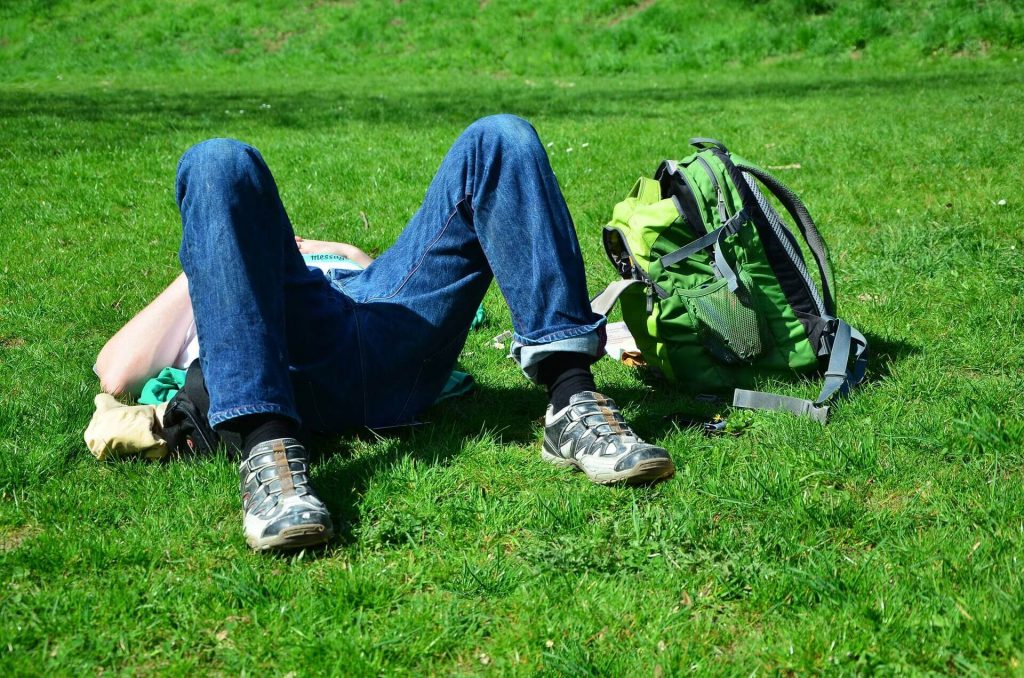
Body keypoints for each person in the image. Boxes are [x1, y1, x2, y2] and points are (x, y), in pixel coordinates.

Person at [95, 115, 675, 552]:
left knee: (498, 135)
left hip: (387, 314)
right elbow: (117, 369)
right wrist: (214, 256)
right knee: (217, 162)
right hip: (300, 351)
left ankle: (571, 403)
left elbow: (381, 271)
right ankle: (269, 459)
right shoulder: (222, 280)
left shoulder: (332, 254)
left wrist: (327, 254)